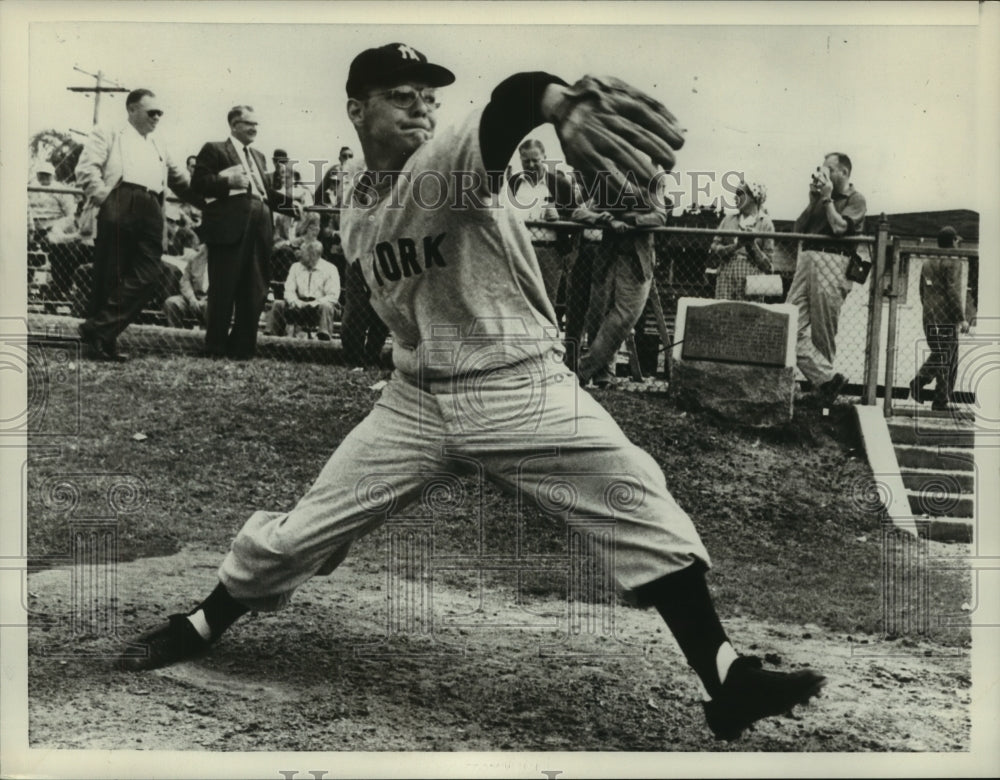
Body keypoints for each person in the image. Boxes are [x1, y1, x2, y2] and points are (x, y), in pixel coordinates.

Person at [120, 43, 824, 742]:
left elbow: (506, 106)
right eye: (402, 95)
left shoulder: (444, 166)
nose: (421, 106)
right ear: (356, 111)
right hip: (415, 402)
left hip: (517, 383)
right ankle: (201, 622)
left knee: (633, 489)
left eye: (428, 95)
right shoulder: (354, 206)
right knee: (305, 527)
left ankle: (727, 679)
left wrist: (558, 104)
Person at [74, 88, 201, 361]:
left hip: (152, 207)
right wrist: (108, 201)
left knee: (150, 274)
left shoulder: (159, 143)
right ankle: (102, 344)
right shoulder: (107, 132)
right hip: (120, 201)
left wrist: (214, 197)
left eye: (160, 113)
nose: (157, 117)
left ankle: (95, 329)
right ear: (132, 110)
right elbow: (86, 170)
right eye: (151, 112)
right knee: (110, 274)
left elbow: (181, 181)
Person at [192, 105, 300, 360]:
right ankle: (215, 346)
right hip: (230, 224)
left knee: (255, 287)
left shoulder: (260, 157)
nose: (254, 128)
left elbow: (265, 192)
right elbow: (198, 184)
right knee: (224, 286)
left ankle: (242, 348)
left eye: (256, 124)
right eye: (248, 123)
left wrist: (289, 205)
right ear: (233, 125)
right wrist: (227, 182)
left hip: (261, 225)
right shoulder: (215, 149)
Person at [785, 153, 867, 404]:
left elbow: (840, 229)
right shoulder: (821, 198)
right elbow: (798, 230)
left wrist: (828, 198)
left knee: (823, 330)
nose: (823, 173)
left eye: (828, 168)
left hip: (834, 260)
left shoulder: (856, 199)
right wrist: (814, 200)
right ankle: (827, 380)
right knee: (788, 325)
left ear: (843, 172)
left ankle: (822, 393)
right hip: (807, 258)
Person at [572, 192, 667, 387]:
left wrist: (629, 219)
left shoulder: (650, 186)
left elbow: (660, 217)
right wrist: (600, 218)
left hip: (636, 262)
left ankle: (583, 369)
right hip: (608, 258)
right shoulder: (609, 187)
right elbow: (577, 213)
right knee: (598, 315)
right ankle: (603, 374)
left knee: (625, 317)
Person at [504, 138, 579, 309]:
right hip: (519, 249)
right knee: (518, 301)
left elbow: (576, 216)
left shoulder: (559, 183)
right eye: (526, 160)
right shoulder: (512, 184)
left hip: (549, 251)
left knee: (546, 302)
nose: (530, 165)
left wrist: (559, 218)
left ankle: (545, 335)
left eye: (535, 160)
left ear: (544, 157)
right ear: (520, 159)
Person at [909, 226, 971, 412]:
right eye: (957, 240)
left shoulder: (928, 261)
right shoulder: (953, 261)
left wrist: (929, 309)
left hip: (930, 315)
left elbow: (922, 291)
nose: (958, 243)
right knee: (946, 356)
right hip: (946, 317)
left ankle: (940, 401)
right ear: (952, 241)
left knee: (943, 355)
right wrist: (961, 318)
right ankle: (920, 382)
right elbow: (952, 292)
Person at [707, 180, 775, 300]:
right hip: (726, 275)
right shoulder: (728, 219)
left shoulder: (765, 223)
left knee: (749, 314)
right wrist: (736, 246)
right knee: (724, 312)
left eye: (740, 193)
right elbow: (714, 248)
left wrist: (752, 246)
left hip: (753, 279)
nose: (735, 197)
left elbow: (768, 265)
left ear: (753, 197)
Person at [265, 236, 341, 340]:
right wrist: (296, 302)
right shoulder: (295, 267)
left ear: (313, 255)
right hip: (297, 304)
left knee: (326, 307)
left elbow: (333, 296)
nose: (299, 255)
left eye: (302, 253)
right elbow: (289, 290)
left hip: (319, 306)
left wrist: (313, 304)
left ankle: (324, 339)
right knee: (278, 304)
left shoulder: (330, 269)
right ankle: (270, 338)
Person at [163, 241, 210, 329]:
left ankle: (209, 339)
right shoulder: (196, 259)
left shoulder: (225, 262)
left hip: (210, 300)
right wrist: (192, 298)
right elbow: (185, 281)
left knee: (211, 308)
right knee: (172, 303)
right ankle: (175, 338)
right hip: (192, 298)